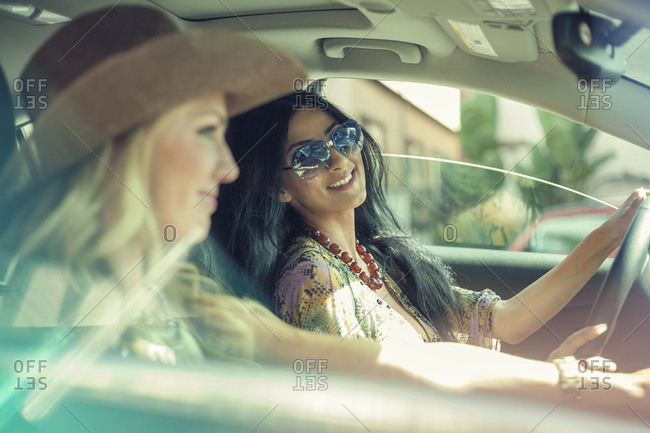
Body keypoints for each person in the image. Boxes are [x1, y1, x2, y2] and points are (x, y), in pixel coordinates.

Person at [0, 5, 649, 417]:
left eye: (344, 139)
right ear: (126, 148)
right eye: (205, 132)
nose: (225, 169)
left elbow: (418, 359)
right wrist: (559, 384)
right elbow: (396, 377)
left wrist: (560, 378)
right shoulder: (39, 317)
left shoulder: (180, 291)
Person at [216, 91, 646, 350]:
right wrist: (547, 388)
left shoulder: (380, 260)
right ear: (278, 188)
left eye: (343, 136)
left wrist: (604, 240)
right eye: (306, 156)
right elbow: (380, 403)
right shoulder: (310, 281)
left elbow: (505, 320)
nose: (338, 159)